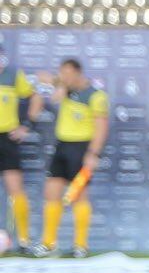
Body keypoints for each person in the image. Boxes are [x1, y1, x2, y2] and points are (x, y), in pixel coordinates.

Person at [34, 57, 107, 258]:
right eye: (61, 73)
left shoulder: (95, 95)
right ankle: (48, 243)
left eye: (67, 73)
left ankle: (80, 246)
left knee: (78, 196)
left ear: (77, 72)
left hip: (82, 148)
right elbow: (52, 97)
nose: (64, 76)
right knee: (51, 193)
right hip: (62, 146)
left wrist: (93, 154)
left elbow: (101, 127)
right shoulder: (65, 89)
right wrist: (54, 83)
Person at [0, 40, 33, 250]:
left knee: (16, 190)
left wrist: (25, 126)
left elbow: (34, 96)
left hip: (7, 139)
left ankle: (23, 241)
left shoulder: (13, 75)